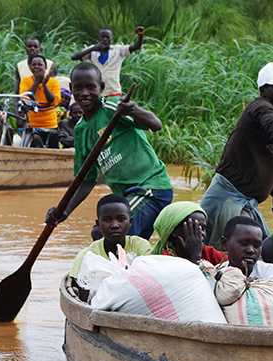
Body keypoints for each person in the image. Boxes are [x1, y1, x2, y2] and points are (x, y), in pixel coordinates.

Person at [45, 62, 173, 240]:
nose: (84, 93)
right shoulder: (81, 130)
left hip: (149, 188)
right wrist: (63, 211)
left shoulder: (112, 108)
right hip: (125, 199)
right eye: (78, 88)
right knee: (126, 245)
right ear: (71, 89)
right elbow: (86, 180)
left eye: (91, 87)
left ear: (101, 88)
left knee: (105, 234)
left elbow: (155, 125)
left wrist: (133, 110)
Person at [201, 62, 273, 248]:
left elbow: (256, 168)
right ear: (264, 89)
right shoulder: (261, 107)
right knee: (243, 255)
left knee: (264, 249)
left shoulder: (264, 116)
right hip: (229, 200)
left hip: (245, 202)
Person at [69, 194, 153, 299]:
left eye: (121, 219)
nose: (115, 225)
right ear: (98, 224)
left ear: (130, 222)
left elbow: (150, 281)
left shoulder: (140, 246)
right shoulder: (87, 257)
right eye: (107, 220)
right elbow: (82, 299)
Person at [71, 26, 144, 98]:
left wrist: (140, 35)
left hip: (113, 91)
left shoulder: (118, 50)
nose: (105, 39)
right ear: (99, 38)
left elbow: (136, 47)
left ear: (111, 38)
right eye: (102, 37)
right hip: (97, 93)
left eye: (107, 37)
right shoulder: (93, 51)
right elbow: (74, 57)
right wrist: (92, 49)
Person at [150, 202, 227, 265]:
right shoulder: (166, 260)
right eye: (194, 229)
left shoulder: (206, 251)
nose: (201, 233)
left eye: (203, 228)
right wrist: (195, 257)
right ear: (174, 231)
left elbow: (230, 262)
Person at [218, 216, 273, 285]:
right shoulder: (215, 276)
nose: (251, 250)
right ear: (225, 244)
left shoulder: (271, 273)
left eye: (257, 245)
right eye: (244, 244)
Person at [18, 54, 61, 148]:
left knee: (52, 153)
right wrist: (37, 81)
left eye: (40, 64)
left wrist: (44, 85)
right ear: (30, 67)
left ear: (45, 67)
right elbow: (25, 98)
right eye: (34, 65)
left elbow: (54, 102)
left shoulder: (53, 82)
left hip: (50, 125)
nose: (36, 67)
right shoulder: (25, 81)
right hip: (31, 125)